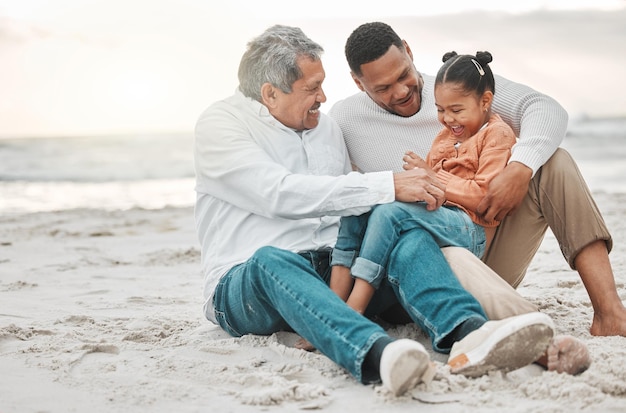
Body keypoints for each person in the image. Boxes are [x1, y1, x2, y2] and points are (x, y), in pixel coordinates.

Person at [193, 24, 557, 397]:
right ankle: (376, 353)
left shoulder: (326, 129)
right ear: (270, 94)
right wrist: (390, 184)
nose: (323, 95)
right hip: (247, 284)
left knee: (408, 237)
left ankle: (465, 332)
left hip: (333, 274)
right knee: (271, 260)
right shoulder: (221, 126)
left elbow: (347, 209)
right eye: (312, 88)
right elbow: (277, 194)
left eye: (322, 83)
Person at [329, 21, 626, 340]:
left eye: (403, 75)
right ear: (359, 84)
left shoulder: (457, 89)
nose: (400, 91)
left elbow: (544, 108)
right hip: (416, 263)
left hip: (482, 242)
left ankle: (609, 313)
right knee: (409, 231)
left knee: (555, 162)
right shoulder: (345, 120)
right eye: (382, 88)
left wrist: (519, 168)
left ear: (408, 50)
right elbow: (333, 197)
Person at [330, 50, 516, 315]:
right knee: (359, 207)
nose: (448, 119)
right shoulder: (444, 137)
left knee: (389, 214)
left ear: (485, 101)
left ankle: (354, 306)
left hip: (471, 229)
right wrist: (421, 183)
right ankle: (335, 296)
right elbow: (436, 191)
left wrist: (431, 175)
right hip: (442, 217)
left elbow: (483, 196)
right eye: (440, 110)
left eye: (456, 110)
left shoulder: (497, 134)